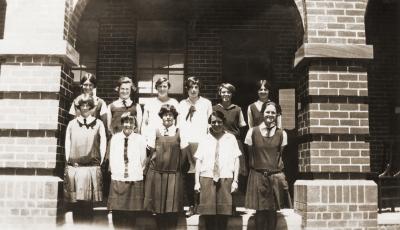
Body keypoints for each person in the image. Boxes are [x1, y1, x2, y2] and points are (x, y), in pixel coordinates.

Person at [244, 101, 290, 230]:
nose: (270, 115)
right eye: (267, 112)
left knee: (272, 212)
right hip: (258, 175)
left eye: (273, 112)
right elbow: (250, 154)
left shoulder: (282, 134)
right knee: (260, 212)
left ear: (277, 115)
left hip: (274, 177)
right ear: (262, 113)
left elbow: (279, 155)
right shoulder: (252, 132)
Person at [144, 104, 189, 230]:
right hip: (158, 174)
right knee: (158, 209)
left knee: (172, 209)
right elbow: (151, 152)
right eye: (165, 115)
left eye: (170, 115)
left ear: (174, 117)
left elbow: (184, 154)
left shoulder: (180, 132)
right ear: (161, 117)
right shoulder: (155, 131)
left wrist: (177, 169)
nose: (168, 117)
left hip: (173, 175)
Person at [194, 111, 241, 230]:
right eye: (213, 122)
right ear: (210, 123)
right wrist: (197, 182)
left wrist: (235, 181)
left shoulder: (231, 138)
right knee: (208, 215)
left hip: (225, 178)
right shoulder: (204, 139)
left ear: (223, 122)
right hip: (207, 178)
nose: (216, 124)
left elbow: (236, 160)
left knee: (223, 215)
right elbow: (198, 161)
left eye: (219, 122)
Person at [64, 96, 107, 223]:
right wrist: (69, 162)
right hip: (75, 168)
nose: (85, 108)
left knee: (88, 205)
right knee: (76, 205)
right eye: (82, 106)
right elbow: (67, 142)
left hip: (91, 168)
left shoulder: (98, 124)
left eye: (88, 105)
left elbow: (103, 143)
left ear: (92, 108)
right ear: (78, 108)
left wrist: (100, 162)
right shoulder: (72, 124)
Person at [178, 76, 212, 216]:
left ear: (199, 89)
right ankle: (191, 205)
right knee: (188, 175)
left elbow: (210, 125)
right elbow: (179, 124)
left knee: (202, 173)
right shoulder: (182, 104)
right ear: (187, 89)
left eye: (196, 87)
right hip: (186, 143)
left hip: (201, 143)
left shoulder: (206, 103)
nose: (193, 90)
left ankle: (201, 204)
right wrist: (182, 142)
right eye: (190, 87)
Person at [107, 112, 147, 228]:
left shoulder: (140, 139)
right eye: (125, 122)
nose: (128, 125)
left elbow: (143, 159)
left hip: (134, 178)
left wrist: (135, 172)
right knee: (117, 212)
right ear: (122, 124)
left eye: (131, 122)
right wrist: (116, 172)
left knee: (131, 213)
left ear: (135, 125)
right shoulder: (115, 138)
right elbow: (112, 158)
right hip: (118, 178)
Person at [213, 83, 248, 188]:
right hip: (219, 141)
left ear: (232, 94)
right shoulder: (214, 108)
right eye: (223, 92)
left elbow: (242, 126)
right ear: (220, 93)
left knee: (235, 169)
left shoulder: (237, 109)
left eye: (228, 92)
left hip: (233, 142)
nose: (226, 94)